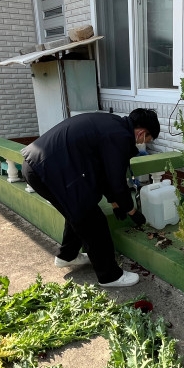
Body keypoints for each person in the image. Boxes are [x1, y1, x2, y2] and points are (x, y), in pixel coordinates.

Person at [21, 108, 160, 288]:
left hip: (38, 166)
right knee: (94, 221)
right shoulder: (120, 137)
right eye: (147, 140)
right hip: (47, 170)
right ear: (141, 132)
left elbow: (104, 173)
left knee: (78, 211)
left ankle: (67, 256)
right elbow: (117, 181)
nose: (144, 144)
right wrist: (132, 210)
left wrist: (115, 203)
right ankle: (109, 276)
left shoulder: (112, 125)